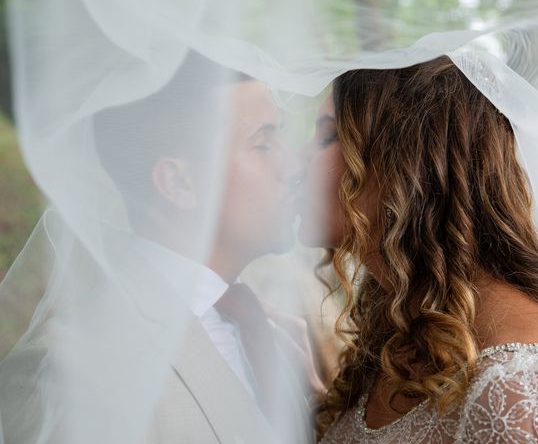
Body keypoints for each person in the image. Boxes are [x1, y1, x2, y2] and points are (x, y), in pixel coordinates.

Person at [296, 56, 538, 443]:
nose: (296, 159)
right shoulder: (405, 328)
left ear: (406, 163)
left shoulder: (523, 390)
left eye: (328, 136)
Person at [0, 52, 317, 444]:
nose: (294, 166)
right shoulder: (68, 372)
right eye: (263, 144)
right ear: (179, 183)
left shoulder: (261, 330)